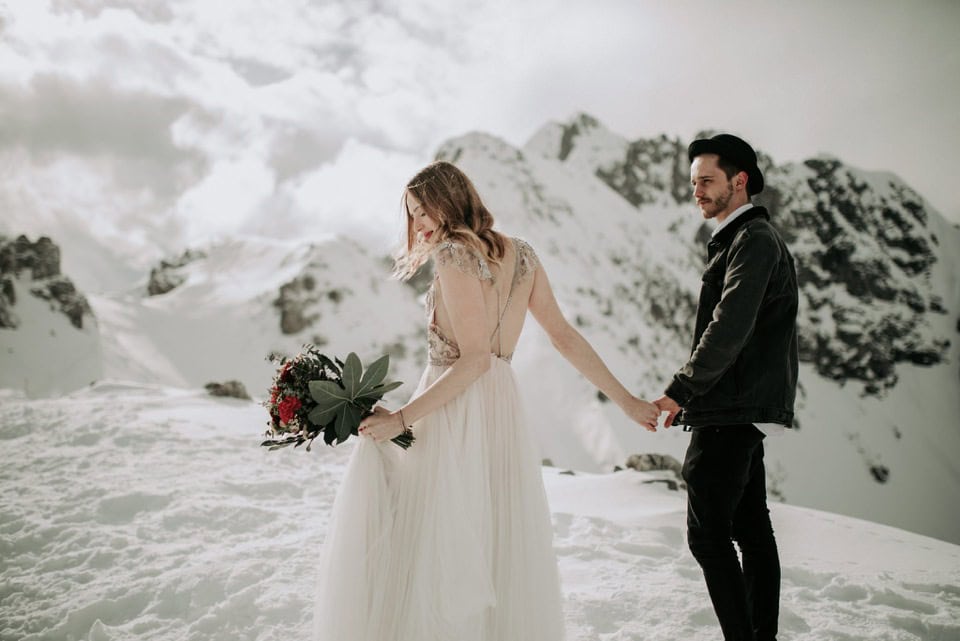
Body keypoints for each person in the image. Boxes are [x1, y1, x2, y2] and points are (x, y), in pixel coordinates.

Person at [313, 160, 660, 641]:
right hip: (500, 406)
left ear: (450, 201)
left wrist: (401, 418)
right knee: (489, 534)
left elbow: (473, 358)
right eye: (412, 216)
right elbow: (563, 336)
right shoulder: (524, 255)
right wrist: (628, 401)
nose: (419, 225)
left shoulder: (454, 254)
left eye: (423, 211)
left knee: (431, 534)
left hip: (454, 406)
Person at [654, 133, 799, 641]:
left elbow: (730, 325)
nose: (697, 191)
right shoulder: (743, 239)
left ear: (740, 181)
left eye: (707, 181)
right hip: (739, 405)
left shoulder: (753, 241)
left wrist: (682, 389)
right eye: (693, 182)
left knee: (708, 537)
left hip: (729, 407)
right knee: (751, 531)